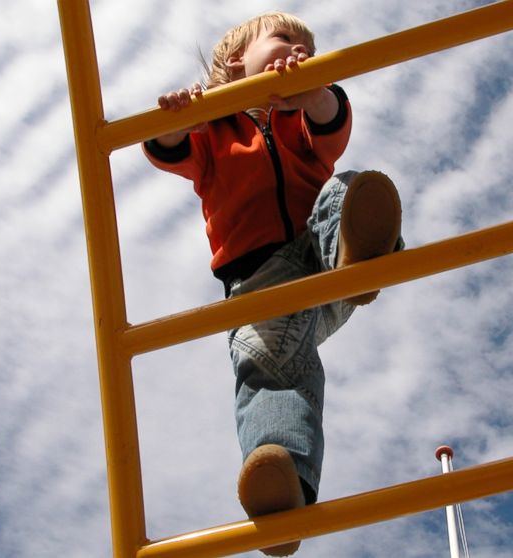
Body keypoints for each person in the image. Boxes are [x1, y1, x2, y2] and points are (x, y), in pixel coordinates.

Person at [143, 12, 402, 556]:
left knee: (347, 186)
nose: (299, 51)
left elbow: (334, 122)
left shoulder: (301, 121)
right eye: (286, 41)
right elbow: (166, 147)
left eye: (310, 49)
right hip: (261, 284)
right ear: (236, 63)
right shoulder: (214, 129)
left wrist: (312, 91)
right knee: (277, 373)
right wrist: (175, 116)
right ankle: (286, 489)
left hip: (322, 259)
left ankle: (361, 260)